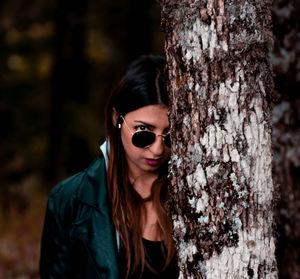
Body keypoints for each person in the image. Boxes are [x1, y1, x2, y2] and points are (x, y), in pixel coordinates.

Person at [40, 55, 179, 279]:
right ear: (117, 118)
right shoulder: (69, 200)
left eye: (171, 136)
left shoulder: (196, 191)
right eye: (144, 132)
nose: (157, 149)